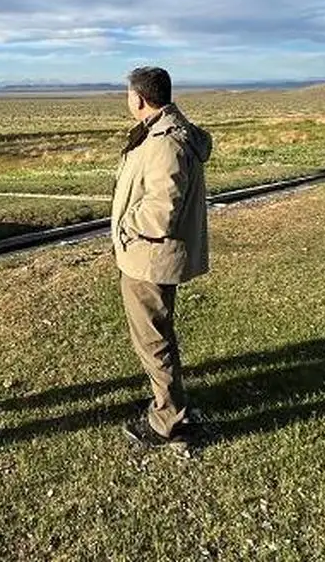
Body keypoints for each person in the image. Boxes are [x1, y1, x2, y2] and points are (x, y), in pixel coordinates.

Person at [112, 66, 212, 452]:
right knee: (157, 335)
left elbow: (161, 209)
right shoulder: (161, 131)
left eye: (128, 94)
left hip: (147, 259)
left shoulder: (165, 142)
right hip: (148, 256)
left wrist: (126, 225)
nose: (127, 100)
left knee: (153, 341)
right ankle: (166, 402)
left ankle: (168, 418)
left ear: (138, 98)